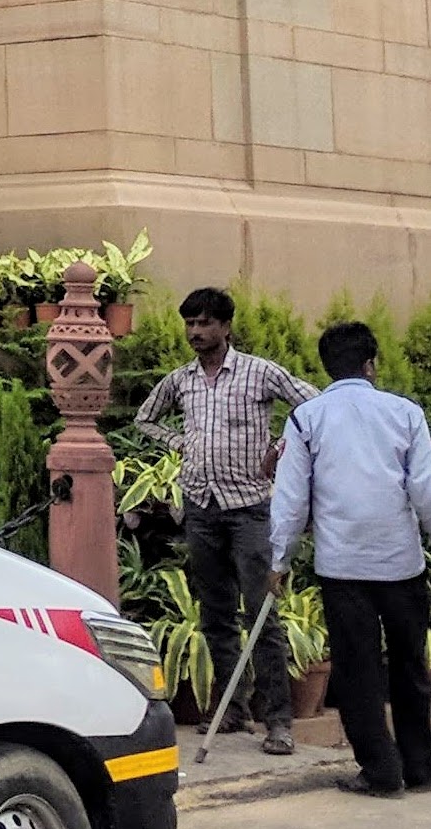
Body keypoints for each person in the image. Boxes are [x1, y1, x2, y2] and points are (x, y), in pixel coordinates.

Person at [137, 287, 314, 755]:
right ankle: (230, 709)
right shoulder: (182, 380)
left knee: (261, 614)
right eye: (190, 324)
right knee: (215, 614)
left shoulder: (259, 373)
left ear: (226, 326)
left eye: (205, 324)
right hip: (202, 507)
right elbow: (144, 419)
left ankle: (277, 720)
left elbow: (313, 406)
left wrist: (280, 449)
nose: (196, 332)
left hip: (250, 509)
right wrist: (181, 443)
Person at [268, 321, 431, 799]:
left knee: (357, 669)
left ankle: (380, 772)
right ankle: (421, 766)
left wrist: (279, 558)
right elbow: (423, 488)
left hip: (342, 568)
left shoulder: (306, 418)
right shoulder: (406, 413)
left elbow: (292, 499)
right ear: (370, 365)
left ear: (327, 368)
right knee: (409, 663)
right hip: (401, 563)